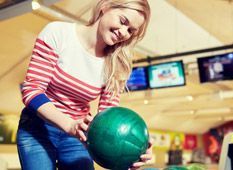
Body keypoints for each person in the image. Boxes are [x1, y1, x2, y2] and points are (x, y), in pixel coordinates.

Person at [16, 0, 152, 169]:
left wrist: (129, 150)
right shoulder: (58, 32)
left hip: (77, 135)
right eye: (123, 21)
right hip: (38, 128)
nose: (123, 32)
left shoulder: (116, 63)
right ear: (105, 8)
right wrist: (69, 124)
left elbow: (108, 120)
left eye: (131, 30)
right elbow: (32, 90)